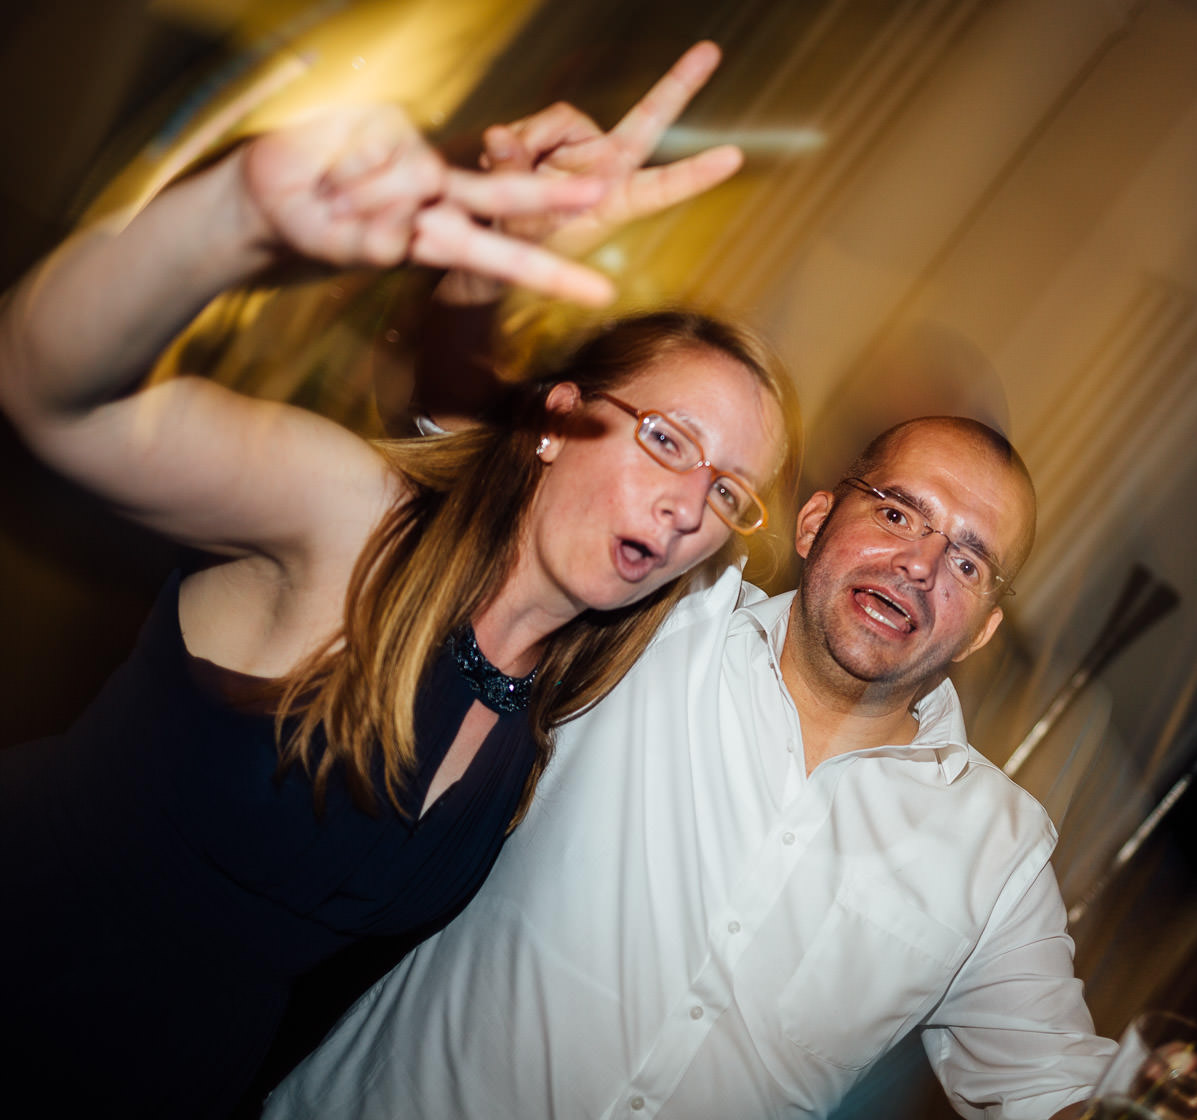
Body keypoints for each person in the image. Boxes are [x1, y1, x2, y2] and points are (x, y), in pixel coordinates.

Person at [0, 42, 800, 1117]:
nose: (688, 501)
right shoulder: (356, 521)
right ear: (559, 421)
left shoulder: (551, 699)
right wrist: (232, 219)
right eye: (665, 438)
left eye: (728, 491)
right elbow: (57, 398)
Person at [265, 414, 1112, 1118]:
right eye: (896, 513)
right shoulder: (654, 627)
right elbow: (499, 503)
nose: (920, 566)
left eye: (968, 561)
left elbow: (1054, 1088)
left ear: (982, 630)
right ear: (815, 522)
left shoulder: (995, 850)